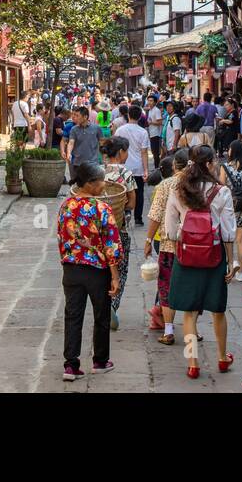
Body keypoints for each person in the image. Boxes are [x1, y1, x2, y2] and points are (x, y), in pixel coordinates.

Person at [164, 146, 238, 379]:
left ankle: (193, 362)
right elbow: (228, 231)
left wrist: (182, 243)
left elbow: (170, 229)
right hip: (214, 256)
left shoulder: (178, 189)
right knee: (217, 310)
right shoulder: (221, 191)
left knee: (189, 312)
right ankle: (222, 357)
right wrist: (230, 261)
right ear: (208, 164)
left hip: (186, 256)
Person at [56, 160, 121, 381]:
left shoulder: (66, 205)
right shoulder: (102, 208)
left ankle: (70, 366)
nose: (104, 184)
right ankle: (100, 361)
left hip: (71, 269)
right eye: (101, 180)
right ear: (91, 184)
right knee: (101, 315)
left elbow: (61, 237)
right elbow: (111, 244)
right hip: (96, 270)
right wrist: (115, 275)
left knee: (72, 316)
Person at [145, 148, 191, 343]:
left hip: (169, 244)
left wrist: (148, 240)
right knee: (192, 287)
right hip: (195, 246)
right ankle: (193, 331)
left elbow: (156, 216)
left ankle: (169, 330)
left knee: (166, 286)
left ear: (174, 166)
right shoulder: (201, 184)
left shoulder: (166, 185)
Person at [100, 136, 138, 332]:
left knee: (103, 269)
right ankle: (112, 307)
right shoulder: (126, 173)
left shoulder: (99, 171)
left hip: (98, 231)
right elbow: (132, 202)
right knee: (120, 270)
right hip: (119, 229)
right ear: (121, 152)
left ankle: (101, 306)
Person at [114, 105, 152, 226]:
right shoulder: (143, 132)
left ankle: (125, 213)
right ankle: (138, 218)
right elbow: (144, 152)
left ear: (128, 115)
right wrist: (146, 170)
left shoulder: (120, 130)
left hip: (123, 167)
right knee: (139, 192)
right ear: (140, 116)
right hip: (138, 167)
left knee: (123, 191)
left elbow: (115, 148)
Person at [221, 139, 242, 229]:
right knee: (241, 238)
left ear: (234, 151)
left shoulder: (225, 167)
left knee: (229, 234)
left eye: (229, 149)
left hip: (230, 203)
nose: (228, 151)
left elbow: (222, 186)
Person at [64, 105, 104, 178]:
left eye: (77, 116)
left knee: (91, 186)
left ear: (85, 117)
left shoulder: (96, 128)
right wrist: (69, 153)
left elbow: (102, 143)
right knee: (76, 186)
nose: (75, 117)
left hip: (93, 164)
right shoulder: (74, 129)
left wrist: (104, 158)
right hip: (77, 163)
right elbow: (71, 142)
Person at [160, 99, 184, 164]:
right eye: (167, 106)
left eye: (170, 106)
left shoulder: (175, 119)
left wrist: (174, 145)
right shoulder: (169, 118)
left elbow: (177, 132)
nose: (168, 108)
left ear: (174, 108)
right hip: (168, 146)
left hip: (172, 147)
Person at [146, 94, 164, 172]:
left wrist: (151, 122)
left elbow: (160, 122)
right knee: (154, 152)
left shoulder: (156, 110)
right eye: (148, 100)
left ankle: (157, 169)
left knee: (156, 153)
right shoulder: (150, 110)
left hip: (156, 134)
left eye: (151, 101)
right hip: (152, 133)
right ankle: (156, 168)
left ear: (155, 102)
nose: (149, 102)